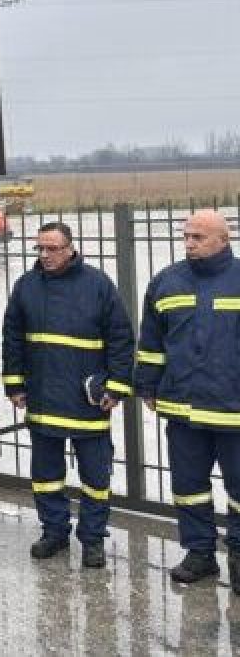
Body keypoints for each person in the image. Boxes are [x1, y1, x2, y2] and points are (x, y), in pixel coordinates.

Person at [2, 222, 134, 569]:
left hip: (87, 399)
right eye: (40, 248)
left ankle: (93, 539)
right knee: (46, 476)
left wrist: (116, 387)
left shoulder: (98, 284)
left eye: (52, 248)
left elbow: (121, 338)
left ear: (71, 248)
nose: (45, 255)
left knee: (95, 477)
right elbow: (12, 338)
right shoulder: (27, 285)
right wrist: (14, 384)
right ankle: (54, 532)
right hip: (43, 397)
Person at [135, 209, 240, 590]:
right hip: (183, 409)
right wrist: (147, 385)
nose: (189, 243)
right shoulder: (166, 282)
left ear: (223, 240)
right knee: (189, 486)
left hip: (233, 411)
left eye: (198, 237)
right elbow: (151, 342)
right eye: (186, 236)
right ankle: (199, 554)